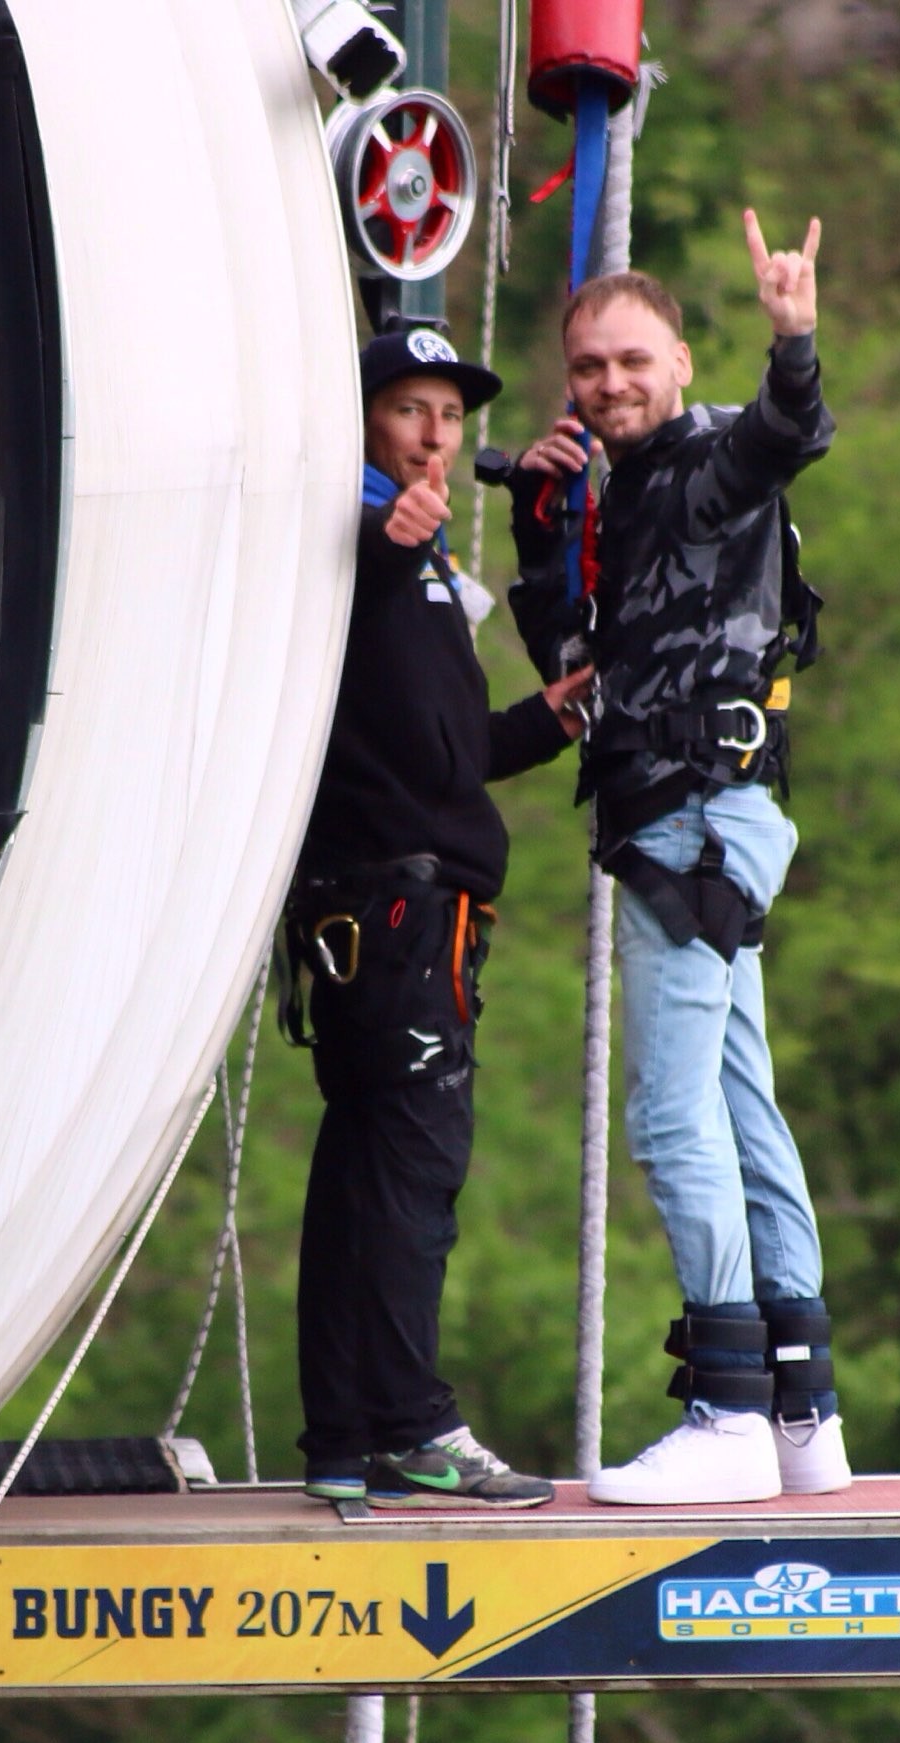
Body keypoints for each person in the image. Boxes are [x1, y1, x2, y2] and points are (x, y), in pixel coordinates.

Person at [508, 212, 847, 1505]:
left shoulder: (707, 458)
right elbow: (574, 670)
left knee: (668, 1116)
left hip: (697, 819)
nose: (609, 385)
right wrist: (545, 530)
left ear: (680, 360)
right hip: (687, 811)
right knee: (742, 1104)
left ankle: (727, 1403)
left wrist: (795, 338)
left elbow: (783, 437)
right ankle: (803, 1407)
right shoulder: (619, 494)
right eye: (588, 368)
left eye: (632, 362)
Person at [283, 327, 594, 1509]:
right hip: (403, 912)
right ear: (358, 418)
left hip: (384, 902)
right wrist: (385, 539)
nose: (433, 435)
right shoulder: (355, 533)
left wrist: (544, 719)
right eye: (407, 409)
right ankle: (411, 1425)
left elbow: (442, 754)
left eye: (449, 416)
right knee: (411, 1174)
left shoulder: (409, 563)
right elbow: (336, 545)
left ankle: (343, 1433)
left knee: (366, 1173)